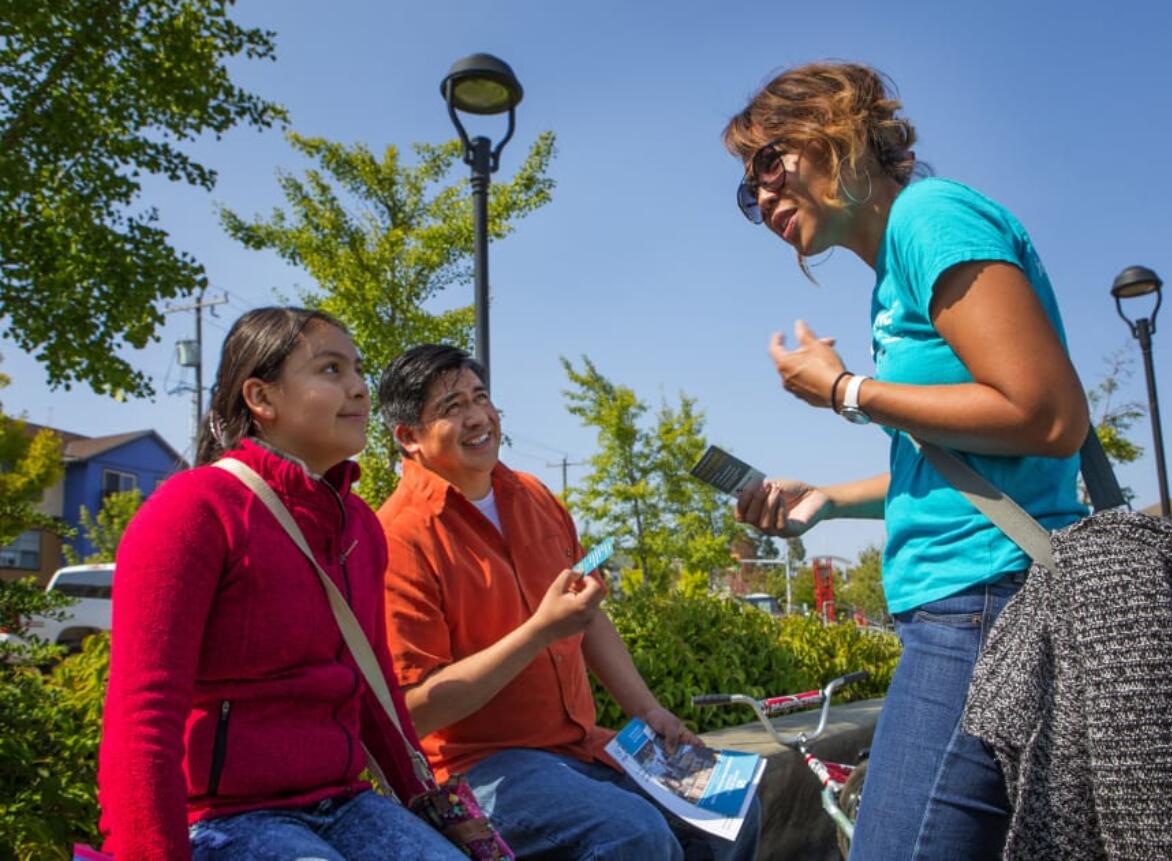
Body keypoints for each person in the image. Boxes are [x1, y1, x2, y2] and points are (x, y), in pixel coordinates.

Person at [724, 63, 1089, 860]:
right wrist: (827, 499)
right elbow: (964, 464)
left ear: (836, 128)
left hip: (983, 602)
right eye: (748, 193)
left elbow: (1049, 414)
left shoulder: (930, 216)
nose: (761, 198)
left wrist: (848, 390)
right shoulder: (892, 275)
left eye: (766, 163)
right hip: (966, 600)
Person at [98, 308, 465, 861]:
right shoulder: (194, 511)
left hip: (346, 802)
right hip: (225, 818)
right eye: (331, 369)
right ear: (261, 398)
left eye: (358, 370)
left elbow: (373, 688)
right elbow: (142, 714)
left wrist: (430, 812)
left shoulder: (359, 524)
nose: (360, 388)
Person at [376, 344, 761, 861]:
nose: (477, 417)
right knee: (635, 835)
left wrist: (648, 712)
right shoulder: (398, 537)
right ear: (408, 438)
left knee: (733, 809)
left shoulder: (533, 495)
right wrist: (539, 631)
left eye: (481, 397)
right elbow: (414, 711)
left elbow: (589, 618)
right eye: (452, 408)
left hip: (578, 746)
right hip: (477, 767)